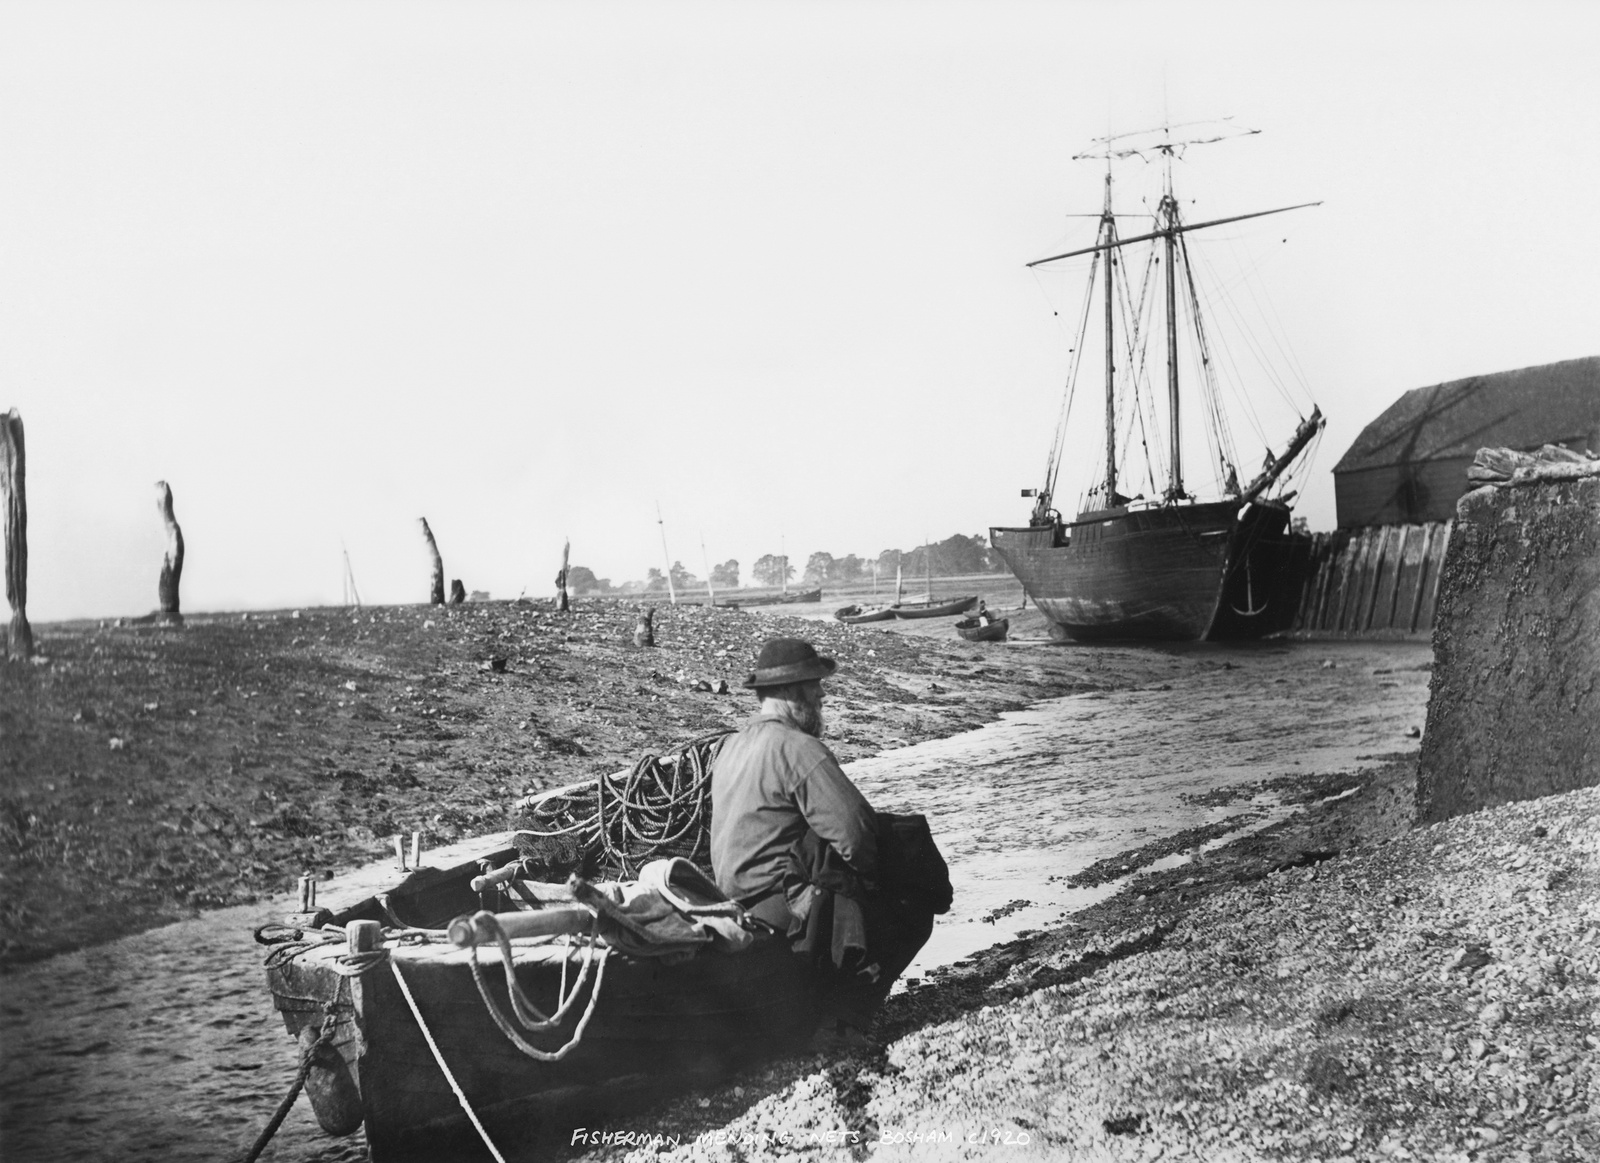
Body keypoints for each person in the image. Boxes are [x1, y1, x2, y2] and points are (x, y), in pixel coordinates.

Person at [710, 636, 941, 1047]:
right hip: (780, 905)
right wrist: (876, 882)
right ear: (788, 691)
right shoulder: (798, 748)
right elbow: (857, 833)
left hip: (734, 899)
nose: (821, 695)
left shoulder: (732, 746)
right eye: (814, 684)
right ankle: (840, 1021)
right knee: (915, 896)